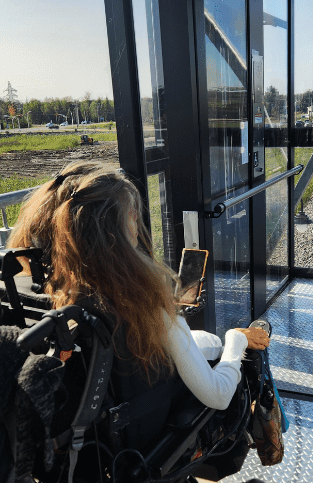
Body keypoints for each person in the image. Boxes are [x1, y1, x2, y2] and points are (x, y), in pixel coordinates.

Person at [8, 160, 268, 412]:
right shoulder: (139, 303)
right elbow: (218, 395)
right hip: (144, 425)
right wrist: (236, 339)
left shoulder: (35, 292)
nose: (137, 226)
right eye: (132, 217)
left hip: (84, 424)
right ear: (117, 233)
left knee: (209, 341)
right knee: (224, 350)